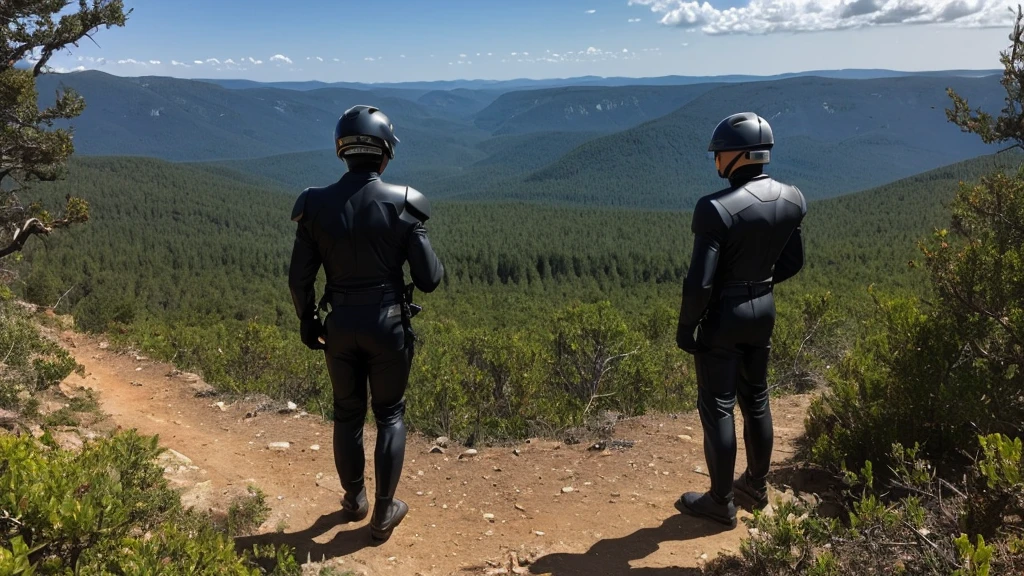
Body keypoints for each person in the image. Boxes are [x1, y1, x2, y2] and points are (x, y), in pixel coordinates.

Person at [288, 104, 444, 543]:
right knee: (390, 414)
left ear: (342, 150)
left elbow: (298, 278)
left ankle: (354, 500)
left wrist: (307, 320)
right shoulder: (405, 204)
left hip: (338, 325)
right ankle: (383, 514)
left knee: (347, 414)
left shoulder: (312, 205)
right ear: (385, 154)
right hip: (388, 323)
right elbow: (430, 280)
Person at [675, 112, 807, 528]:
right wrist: (758, 283)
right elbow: (793, 262)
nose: (716, 160)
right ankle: (757, 486)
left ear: (734, 156)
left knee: (717, 407)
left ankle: (720, 501)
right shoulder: (793, 198)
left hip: (724, 317)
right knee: (757, 400)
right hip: (763, 311)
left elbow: (700, 282)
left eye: (719, 153)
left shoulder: (714, 209)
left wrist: (687, 327)